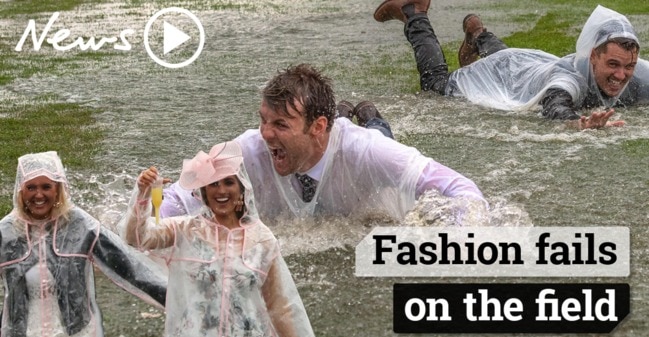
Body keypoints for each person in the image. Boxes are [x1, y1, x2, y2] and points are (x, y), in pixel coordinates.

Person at [160, 63, 485, 221]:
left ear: (317, 126)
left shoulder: (367, 151)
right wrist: (147, 225)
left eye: (280, 125)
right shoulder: (247, 148)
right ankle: (340, 112)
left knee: (378, 132)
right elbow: (179, 195)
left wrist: (448, 233)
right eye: (263, 120)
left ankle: (367, 115)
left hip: (362, 156)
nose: (265, 133)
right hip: (325, 136)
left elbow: (463, 191)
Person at [119, 142, 324, 337]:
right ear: (204, 192)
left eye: (229, 182)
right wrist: (143, 195)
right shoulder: (184, 231)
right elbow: (136, 238)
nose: (222, 191)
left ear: (241, 189)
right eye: (213, 184)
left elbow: (280, 308)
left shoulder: (262, 240)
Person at [0, 151, 166, 337]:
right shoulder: (7, 231)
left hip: (74, 336)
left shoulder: (79, 225)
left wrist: (175, 298)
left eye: (46, 187)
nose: (38, 195)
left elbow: (129, 267)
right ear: (20, 191)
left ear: (59, 189)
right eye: (31, 187)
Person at [374, 1, 649, 129]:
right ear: (592, 56)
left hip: (524, 63)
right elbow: (555, 106)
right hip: (504, 74)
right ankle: (414, 13)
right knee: (435, 84)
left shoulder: (636, 73)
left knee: (508, 59)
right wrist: (579, 123)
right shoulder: (570, 81)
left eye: (629, 66)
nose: (621, 75)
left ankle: (478, 35)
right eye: (612, 64)